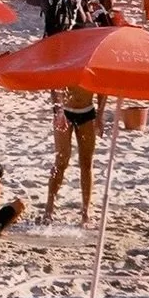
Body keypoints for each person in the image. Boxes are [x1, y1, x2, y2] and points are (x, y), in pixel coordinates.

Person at [45, 85, 99, 226]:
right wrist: (59, 111)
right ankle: (49, 208)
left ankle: (86, 211)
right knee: (61, 160)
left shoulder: (91, 63)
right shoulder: (68, 61)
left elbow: (102, 86)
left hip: (87, 111)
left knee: (86, 163)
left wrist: (101, 113)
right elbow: (55, 84)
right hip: (65, 110)